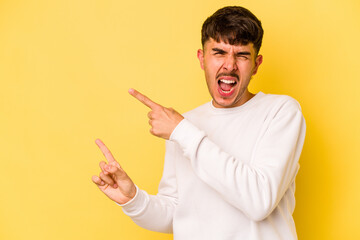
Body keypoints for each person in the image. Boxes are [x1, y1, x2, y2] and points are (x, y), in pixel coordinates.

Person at [91, 6, 306, 240]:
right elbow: (177, 213)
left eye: (242, 55)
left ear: (256, 64)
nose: (230, 65)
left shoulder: (281, 112)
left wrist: (182, 131)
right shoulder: (185, 125)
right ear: (202, 59)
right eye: (219, 52)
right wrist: (133, 200)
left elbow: (259, 202)